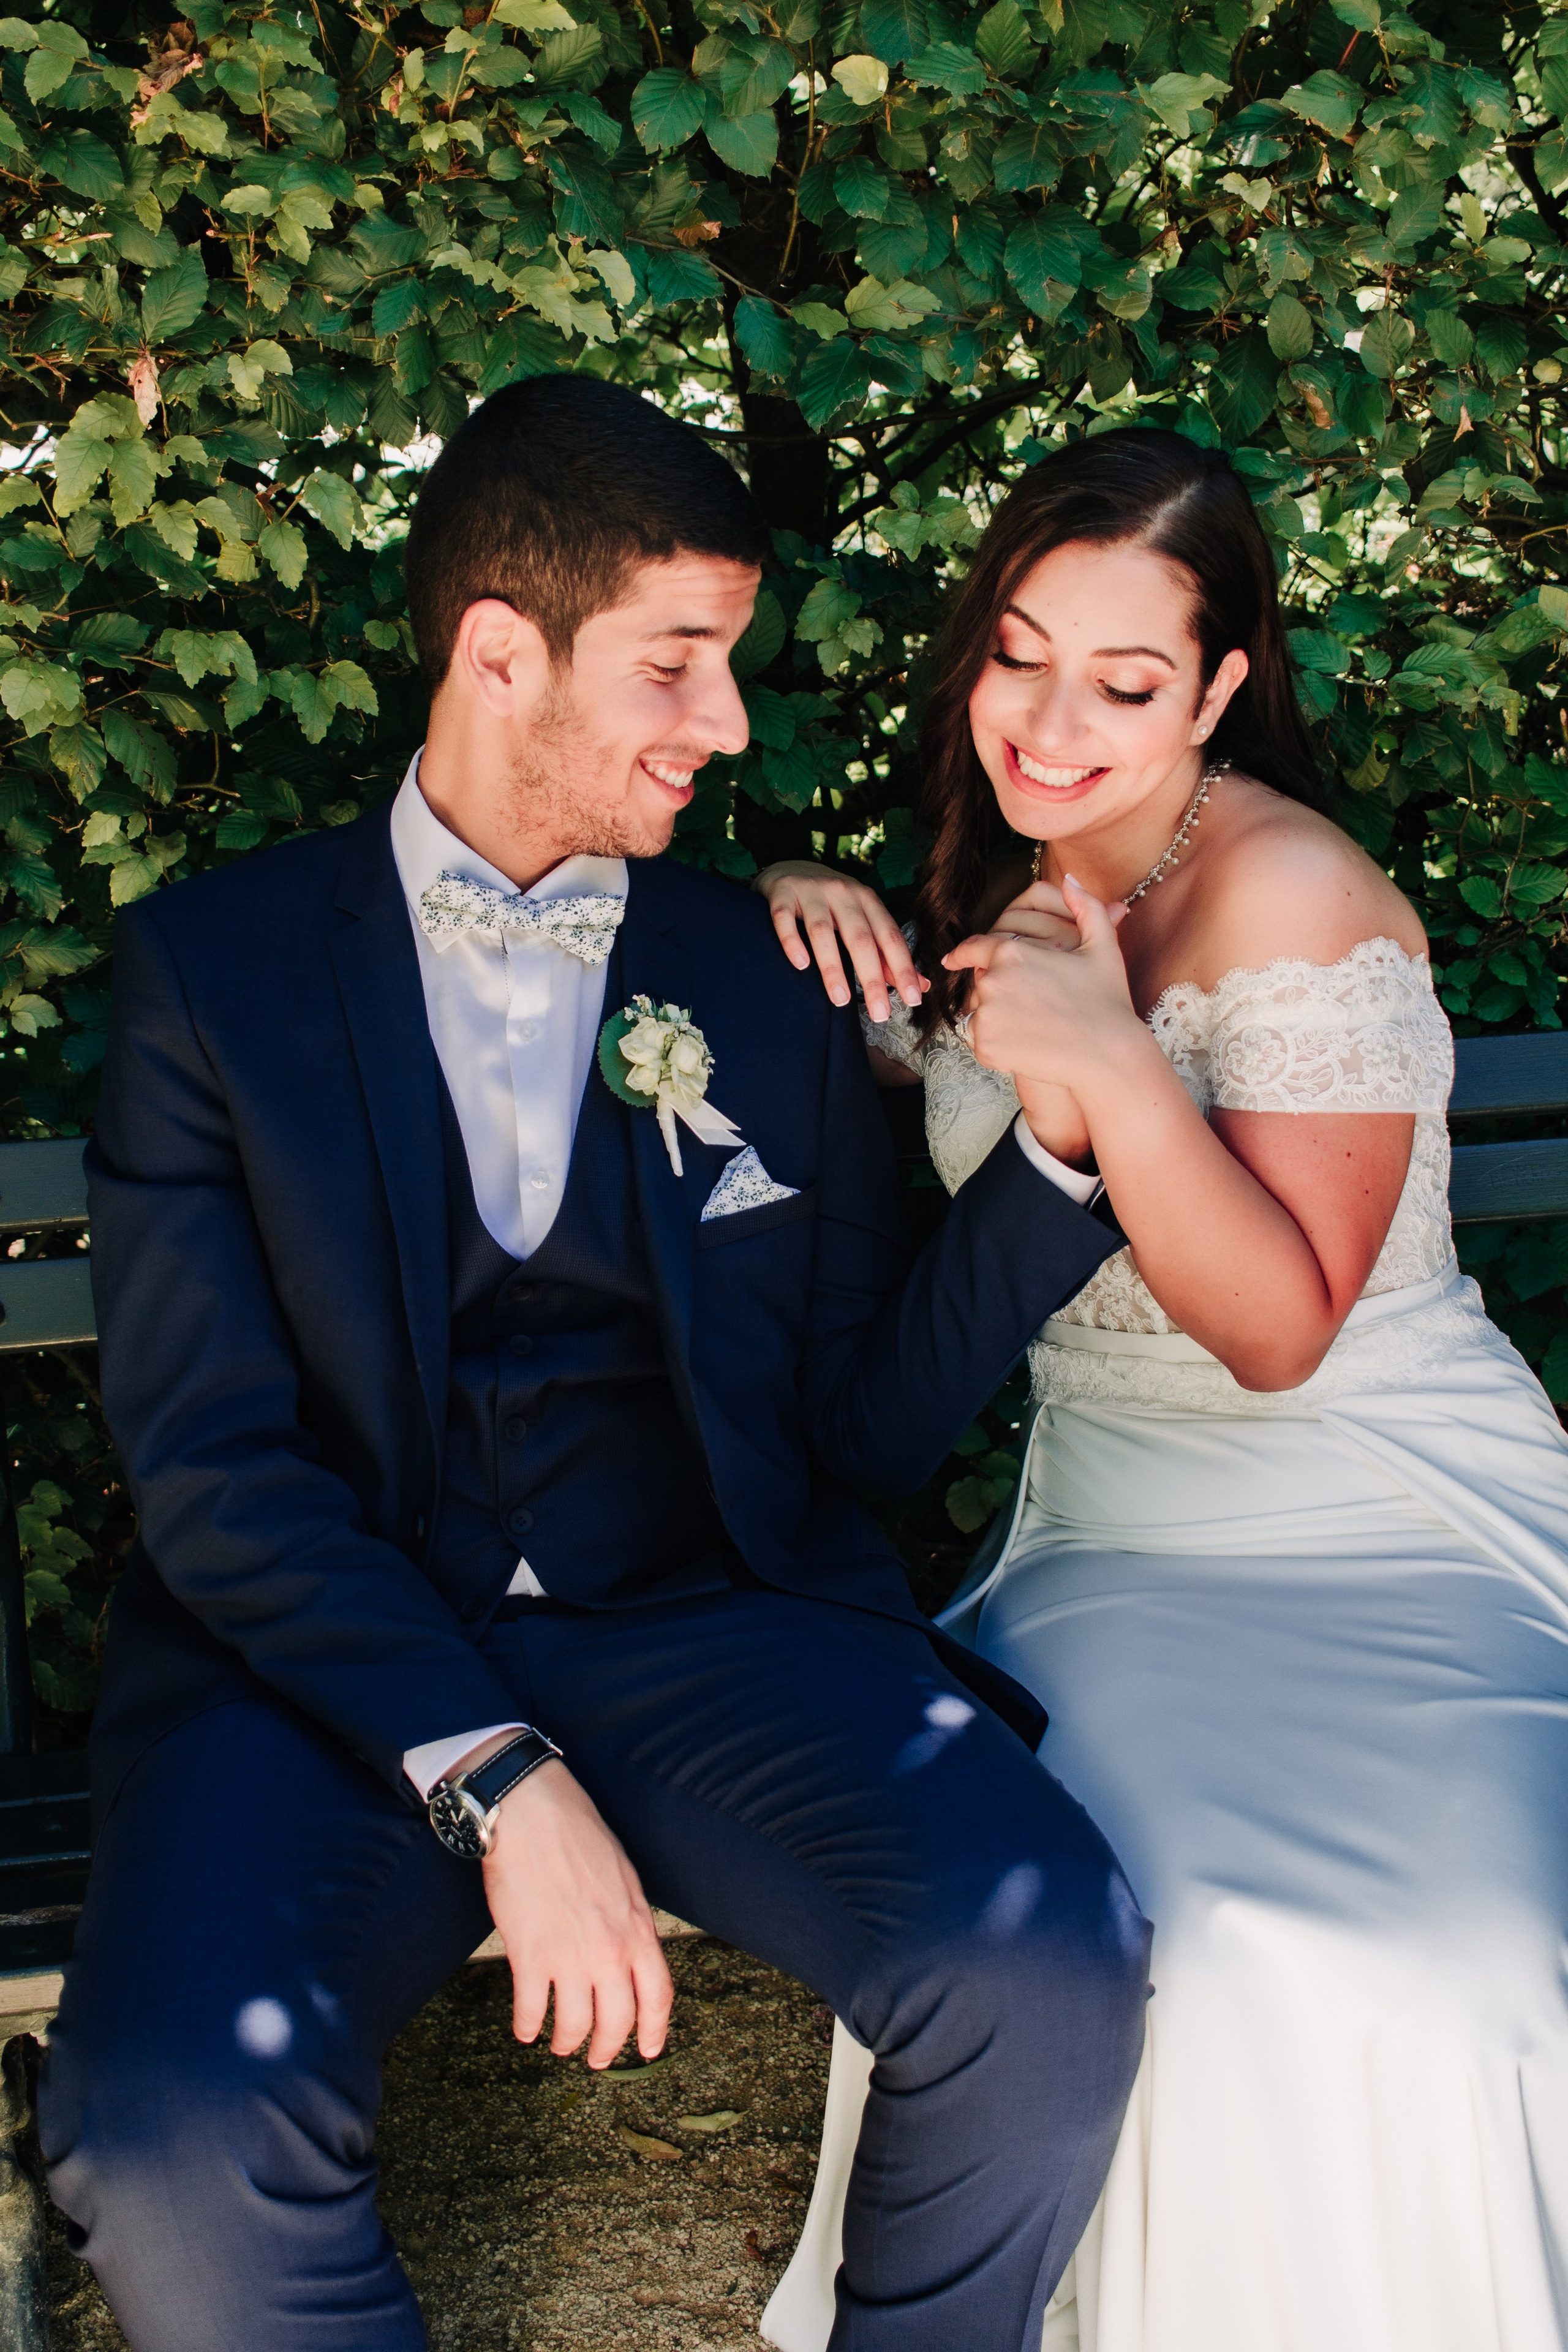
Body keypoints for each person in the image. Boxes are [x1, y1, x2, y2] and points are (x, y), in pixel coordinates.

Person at [37, 375, 1152, 2352]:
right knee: (172, 2135)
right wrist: (495, 1774)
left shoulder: (766, 974)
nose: (729, 722)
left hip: (704, 1622)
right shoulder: (215, 978)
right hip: (323, 1667)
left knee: (1047, 1968)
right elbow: (214, 1465)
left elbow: (864, 1426)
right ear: (499, 654)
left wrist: (1068, 1148)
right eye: (675, 662)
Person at [758, 428, 1568, 2352]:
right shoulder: (1011, 862)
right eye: (1018, 656)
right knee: (1150, 1923)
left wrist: (1117, 1066)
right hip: (1116, 1534)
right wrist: (795, 905)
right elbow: (948, 1075)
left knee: (1440, 1958)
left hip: (1383, 1517)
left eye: (1124, 684)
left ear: (1216, 692)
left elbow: (1282, 1330)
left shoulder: (1293, 893)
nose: (1052, 723)